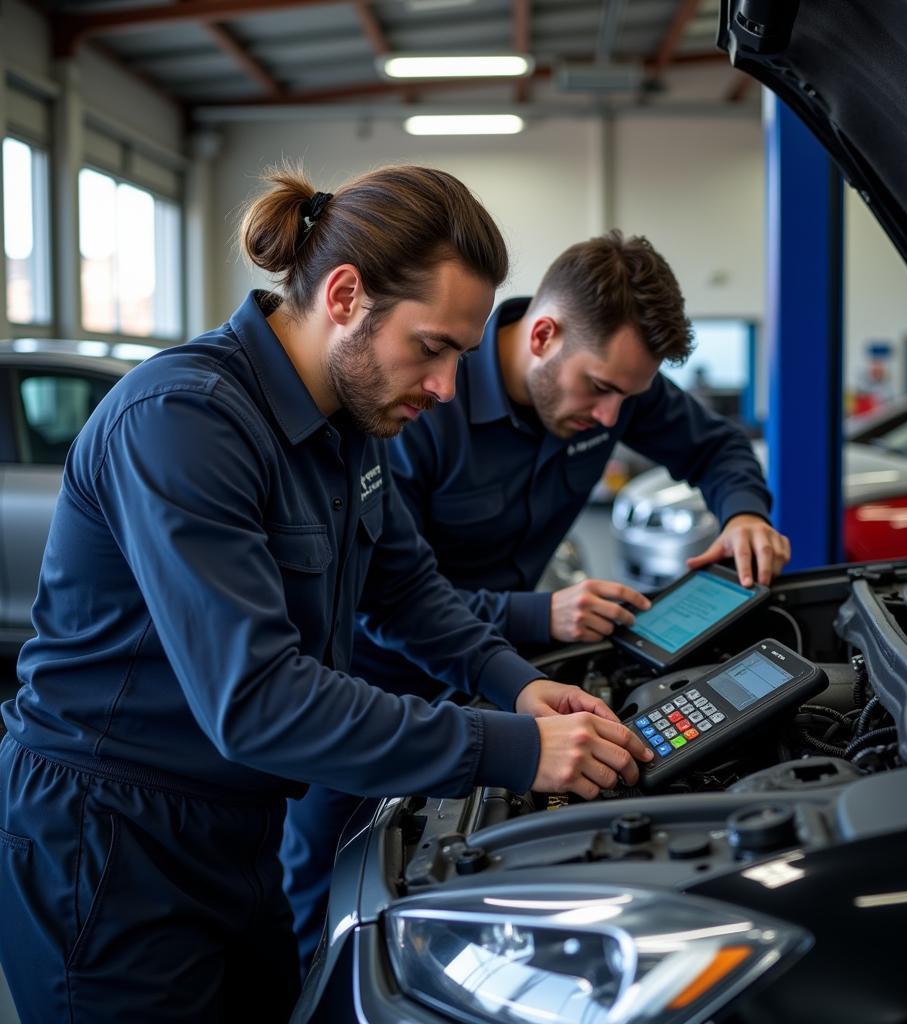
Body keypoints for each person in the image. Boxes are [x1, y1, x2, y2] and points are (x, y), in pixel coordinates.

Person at [0, 167, 652, 1023]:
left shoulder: (351, 423)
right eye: (431, 347)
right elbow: (259, 699)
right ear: (345, 296)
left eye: (460, 352)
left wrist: (516, 682)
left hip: (237, 826)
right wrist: (515, 749)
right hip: (112, 840)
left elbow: (406, 588)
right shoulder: (184, 420)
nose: (449, 387)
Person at [282, 230, 792, 967]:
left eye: (630, 396)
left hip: (497, 672)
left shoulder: (614, 383)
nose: (615, 420)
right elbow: (386, 592)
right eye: (602, 390)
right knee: (332, 893)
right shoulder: (417, 403)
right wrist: (536, 613)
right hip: (373, 687)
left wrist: (746, 511)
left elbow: (718, 448)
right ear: (545, 335)